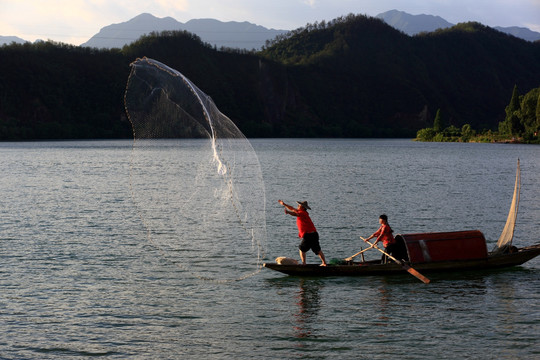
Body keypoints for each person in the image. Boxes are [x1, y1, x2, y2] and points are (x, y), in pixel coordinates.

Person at [278, 199, 327, 266]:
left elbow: (295, 214)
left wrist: (288, 212)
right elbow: (292, 208)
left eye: (299, 205)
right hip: (313, 234)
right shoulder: (302, 212)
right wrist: (284, 204)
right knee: (317, 249)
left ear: (303, 207)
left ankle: (304, 263)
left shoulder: (302, 213)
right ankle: (324, 263)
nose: (298, 205)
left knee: (302, 249)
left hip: (309, 235)